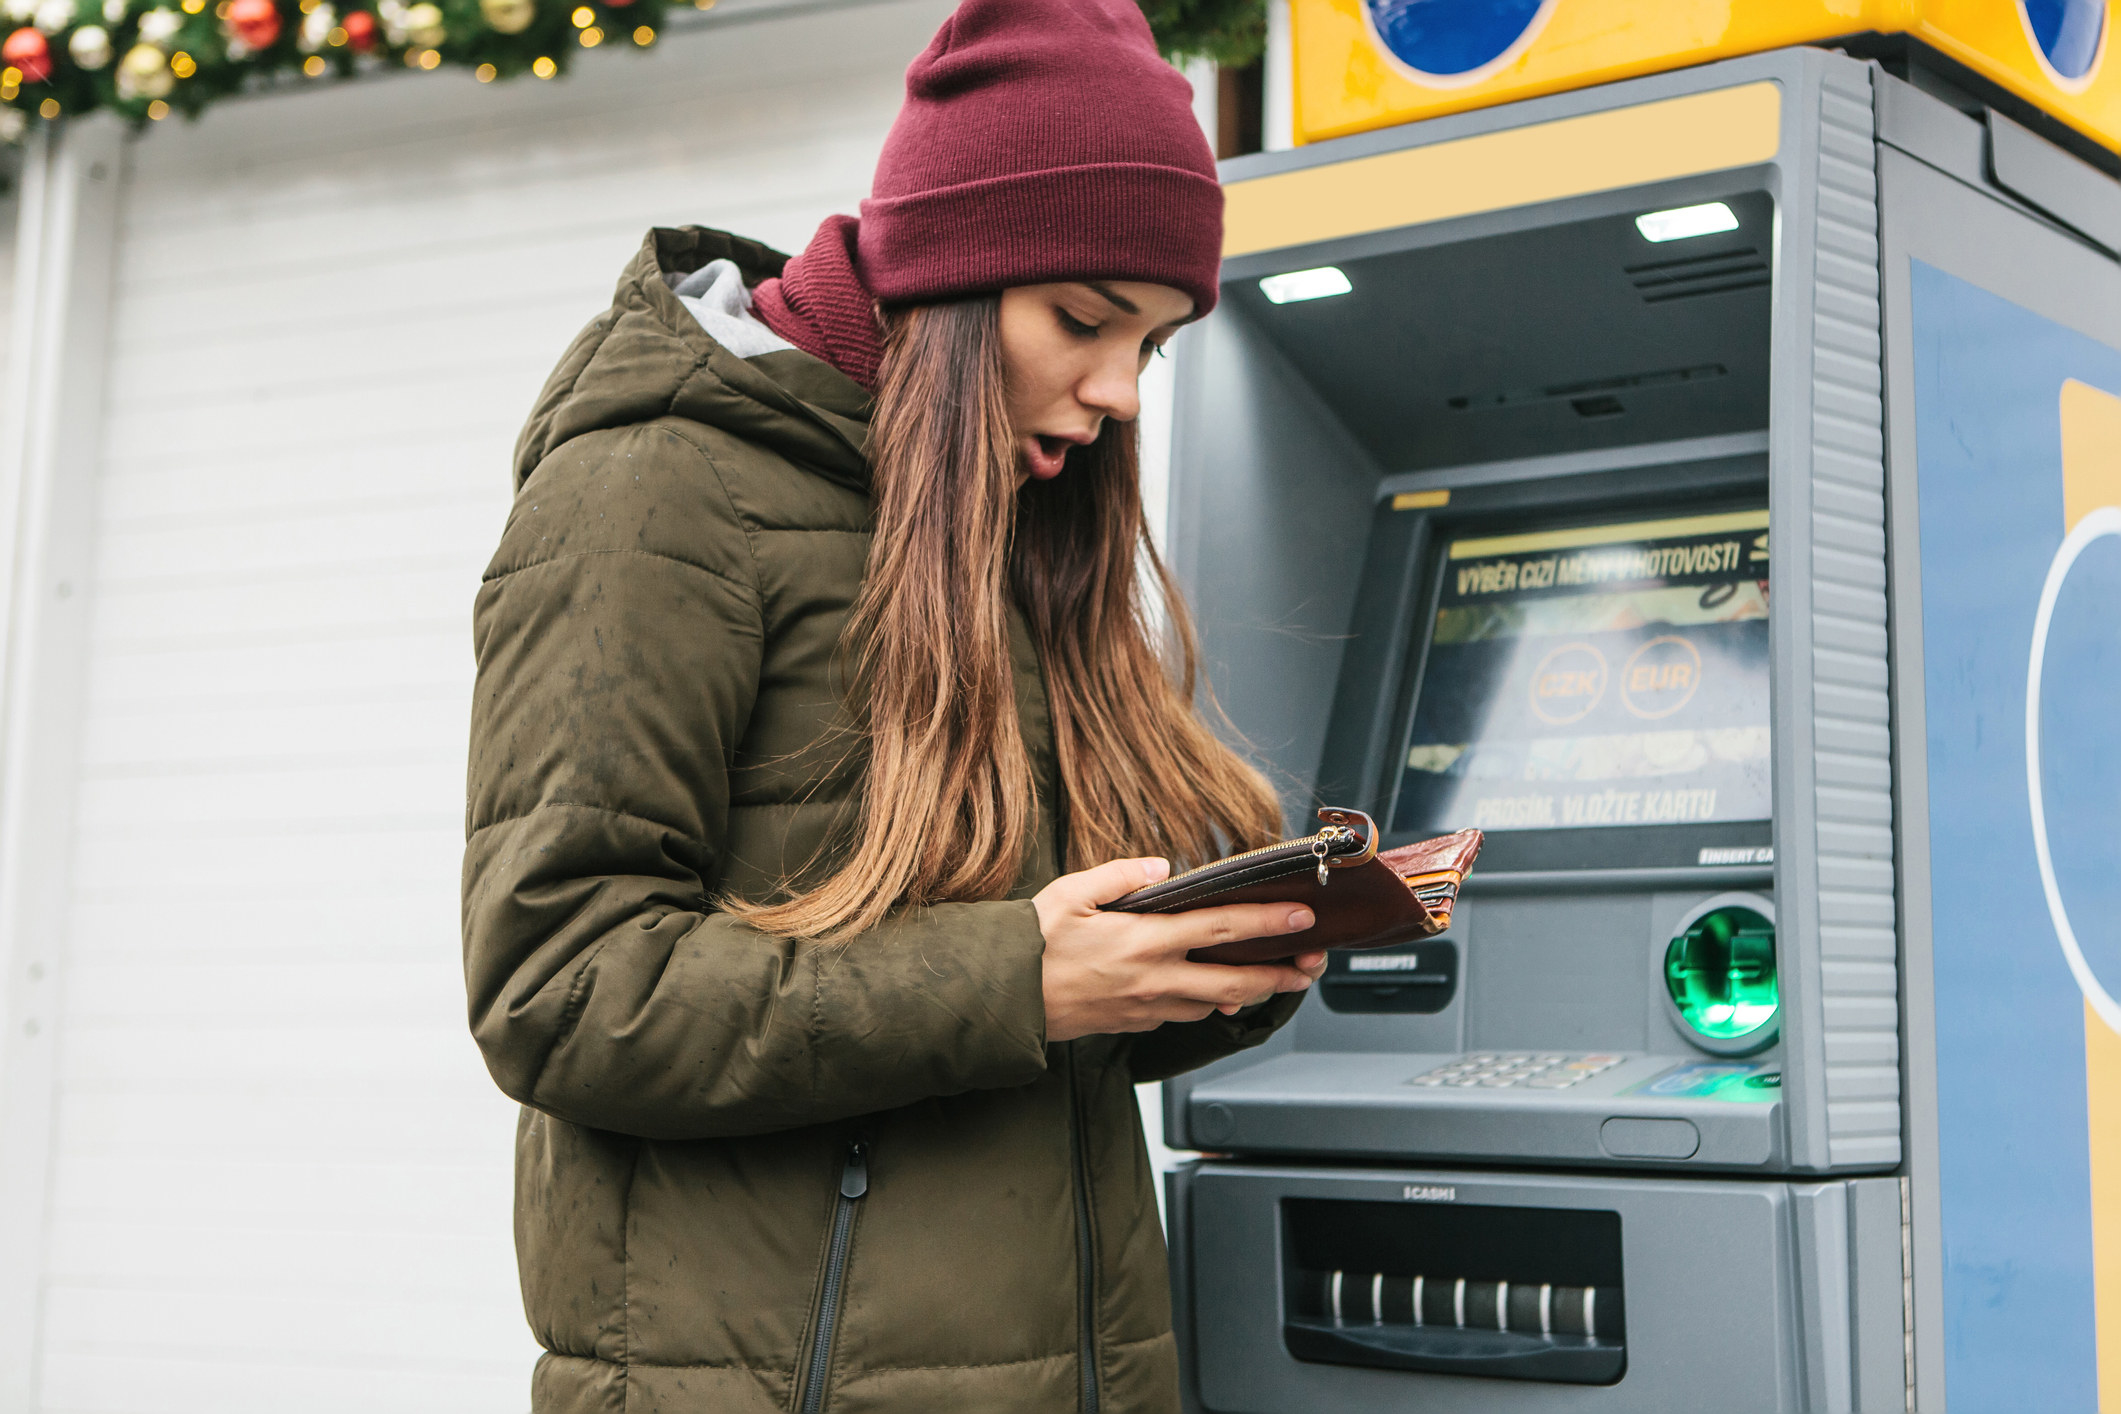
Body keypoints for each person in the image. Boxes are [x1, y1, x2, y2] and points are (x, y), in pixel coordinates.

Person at [461, 1, 1325, 1409]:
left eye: (1151, 346)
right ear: (949, 277)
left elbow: (1021, 1001)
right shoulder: (653, 494)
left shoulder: (1002, 519)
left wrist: (1200, 969)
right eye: (1085, 320)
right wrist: (1015, 979)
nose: (1114, 392)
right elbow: (560, 989)